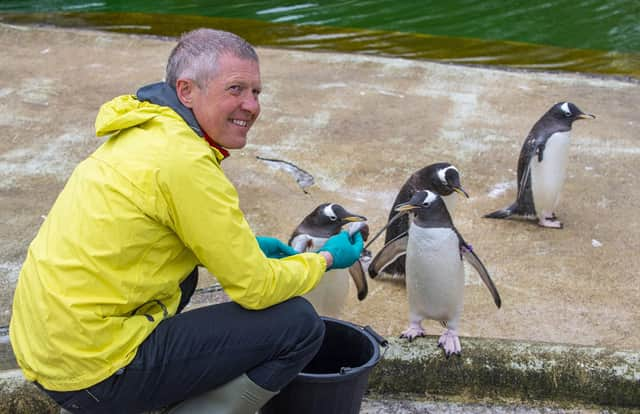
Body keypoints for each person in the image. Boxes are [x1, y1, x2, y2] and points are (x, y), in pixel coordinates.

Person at [9, 28, 364, 414]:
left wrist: (245, 250)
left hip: (47, 347)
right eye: (235, 89)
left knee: (189, 278)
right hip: (92, 367)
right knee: (299, 325)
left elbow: (143, 234)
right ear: (186, 90)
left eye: (256, 92)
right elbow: (256, 289)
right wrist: (325, 259)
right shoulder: (186, 162)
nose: (251, 105)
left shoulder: (143, 131)